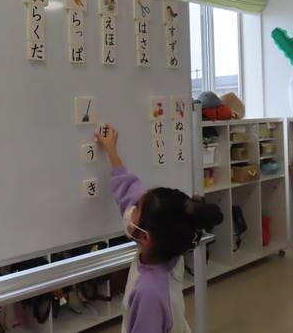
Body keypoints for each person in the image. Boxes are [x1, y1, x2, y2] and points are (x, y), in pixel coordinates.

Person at [94, 124, 223, 333]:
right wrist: (112, 151)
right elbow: (130, 192)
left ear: (145, 237)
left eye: (136, 209)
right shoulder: (168, 249)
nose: (130, 208)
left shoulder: (149, 294)